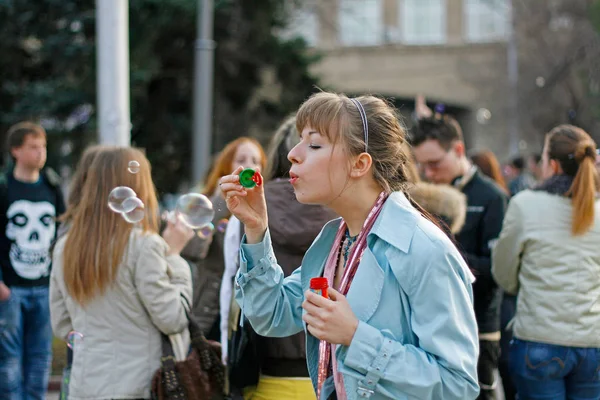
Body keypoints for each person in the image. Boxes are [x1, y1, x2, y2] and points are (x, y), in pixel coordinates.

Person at [220, 92, 480, 399]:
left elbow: (457, 385)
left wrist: (356, 338)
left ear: (359, 164)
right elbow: (271, 314)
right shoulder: (335, 241)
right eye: (300, 140)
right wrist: (256, 229)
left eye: (314, 145)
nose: (293, 153)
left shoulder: (425, 249)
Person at [49, 147, 194, 399]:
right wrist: (174, 256)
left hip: (84, 388)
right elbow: (173, 318)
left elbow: (63, 323)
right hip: (137, 387)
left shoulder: (65, 247)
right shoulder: (143, 245)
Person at [220, 116, 336, 399]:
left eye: (314, 145)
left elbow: (230, 285)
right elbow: (276, 308)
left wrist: (226, 350)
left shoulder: (251, 203)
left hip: (267, 371)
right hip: (333, 375)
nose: (295, 154)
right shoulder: (341, 217)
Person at [492, 125, 600, 399]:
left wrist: (523, 285)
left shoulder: (525, 205)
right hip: (593, 340)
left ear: (552, 165)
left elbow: (503, 271)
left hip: (538, 338)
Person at [410, 114, 507, 400]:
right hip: (429, 328)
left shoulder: (492, 197)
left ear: (459, 151)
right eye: (422, 165)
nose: (428, 173)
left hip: (478, 329)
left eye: (435, 163)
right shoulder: (423, 196)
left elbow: (496, 271)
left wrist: (445, 259)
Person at [0, 122, 66, 399]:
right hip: (10, 289)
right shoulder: (4, 188)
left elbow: (62, 233)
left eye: (43, 147)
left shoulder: (52, 187)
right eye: (33, 147)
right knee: (9, 359)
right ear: (16, 150)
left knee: (41, 357)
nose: (40, 153)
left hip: (43, 286)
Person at [181, 137, 266, 341]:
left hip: (250, 311)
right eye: (241, 160)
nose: (248, 166)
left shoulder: (264, 209)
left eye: (255, 161)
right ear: (226, 166)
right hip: (212, 308)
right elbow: (192, 250)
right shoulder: (209, 204)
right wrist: (220, 203)